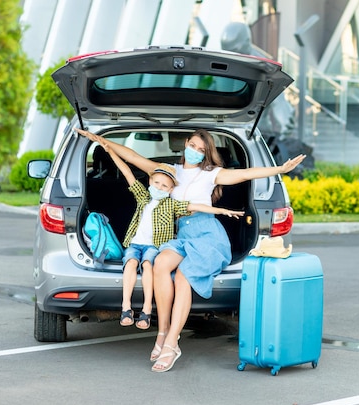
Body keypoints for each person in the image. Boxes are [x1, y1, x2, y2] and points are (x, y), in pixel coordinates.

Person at [75, 127, 305, 372]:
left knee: (184, 276)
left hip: (208, 236)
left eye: (201, 150)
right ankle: (162, 333)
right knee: (161, 264)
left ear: (206, 154)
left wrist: (279, 169)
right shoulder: (169, 172)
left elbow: (245, 173)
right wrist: (102, 141)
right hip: (183, 235)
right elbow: (133, 158)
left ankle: (172, 343)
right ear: (185, 144)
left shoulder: (211, 174)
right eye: (193, 146)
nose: (195, 152)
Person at [98, 141, 245, 331]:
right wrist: (109, 149)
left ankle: (146, 311)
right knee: (132, 264)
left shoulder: (172, 204)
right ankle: (126, 308)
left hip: (155, 246)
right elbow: (129, 168)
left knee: (149, 265)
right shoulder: (143, 196)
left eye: (165, 186)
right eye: (156, 183)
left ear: (171, 190)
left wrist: (221, 210)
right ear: (149, 181)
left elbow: (195, 206)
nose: (159, 187)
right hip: (135, 244)